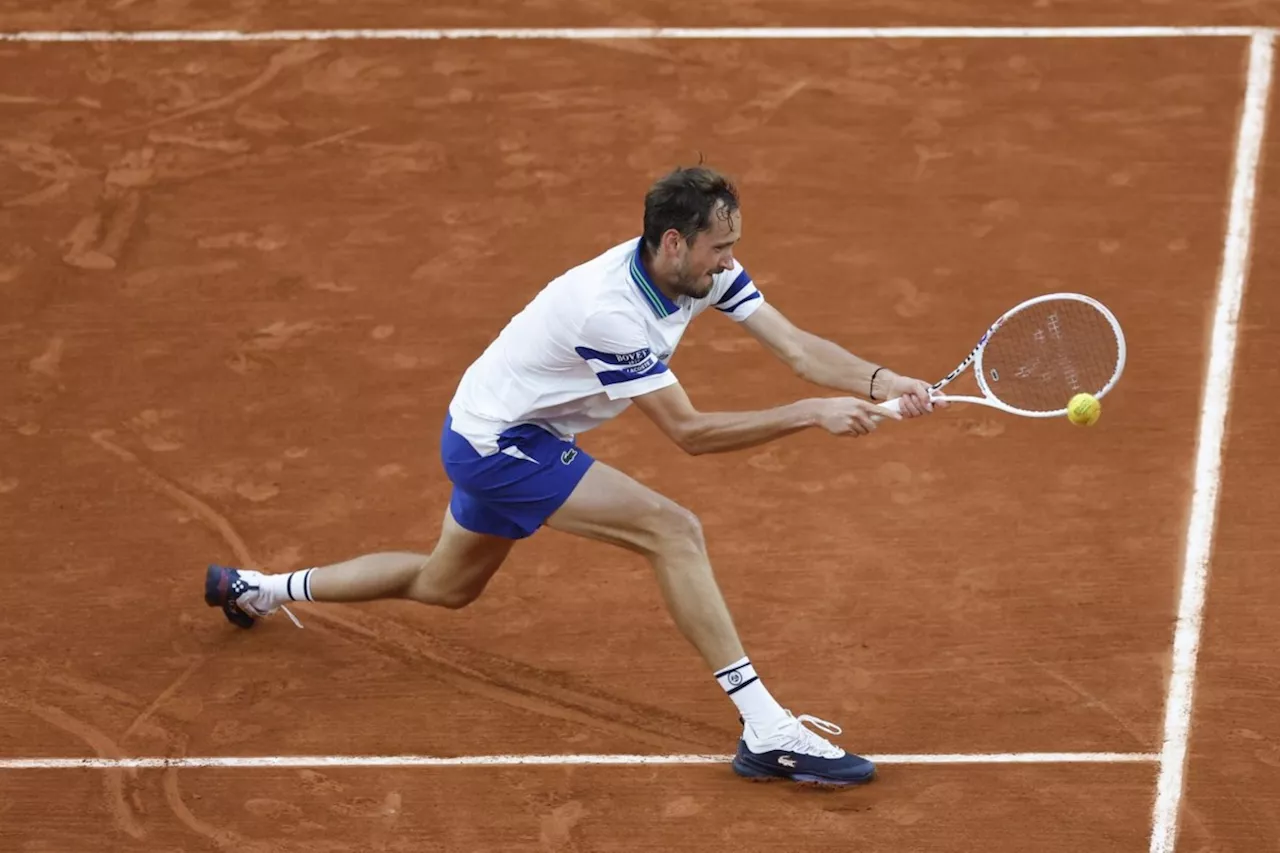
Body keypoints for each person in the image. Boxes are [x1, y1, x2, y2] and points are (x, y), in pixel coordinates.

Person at [204, 165, 941, 786]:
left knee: (443, 585)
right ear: (674, 241)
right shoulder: (608, 312)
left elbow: (797, 345)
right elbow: (690, 433)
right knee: (673, 531)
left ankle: (259, 587)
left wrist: (883, 380)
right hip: (500, 444)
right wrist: (811, 413)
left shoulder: (701, 273)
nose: (730, 262)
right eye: (720, 248)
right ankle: (766, 727)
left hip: (495, 425)